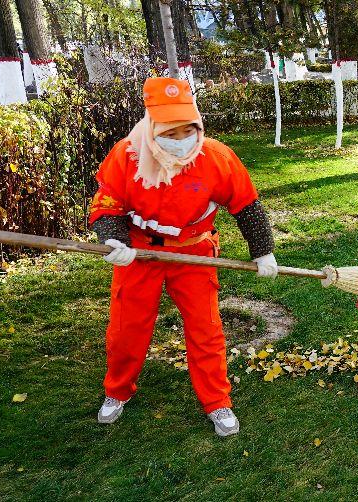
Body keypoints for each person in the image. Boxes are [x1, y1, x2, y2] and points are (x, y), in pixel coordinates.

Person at [88, 77, 277, 436]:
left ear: (198, 125)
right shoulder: (125, 155)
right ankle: (117, 391)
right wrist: (114, 241)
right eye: (169, 134)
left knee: (205, 329)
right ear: (152, 127)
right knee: (127, 328)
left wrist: (263, 251)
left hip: (193, 254)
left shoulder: (216, 158)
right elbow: (108, 204)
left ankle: (217, 401)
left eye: (187, 131)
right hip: (139, 253)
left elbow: (247, 206)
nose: (180, 141)